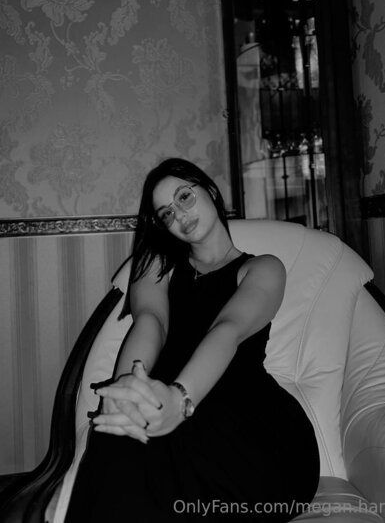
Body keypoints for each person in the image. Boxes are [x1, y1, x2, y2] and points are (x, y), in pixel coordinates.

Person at [65, 157, 320, 522]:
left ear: (210, 191)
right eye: (167, 213)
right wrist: (126, 392)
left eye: (184, 197)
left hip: (250, 422)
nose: (180, 215)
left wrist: (181, 399)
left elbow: (227, 330)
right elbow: (151, 323)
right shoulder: (157, 263)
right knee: (116, 444)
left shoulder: (263, 267)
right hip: (165, 401)